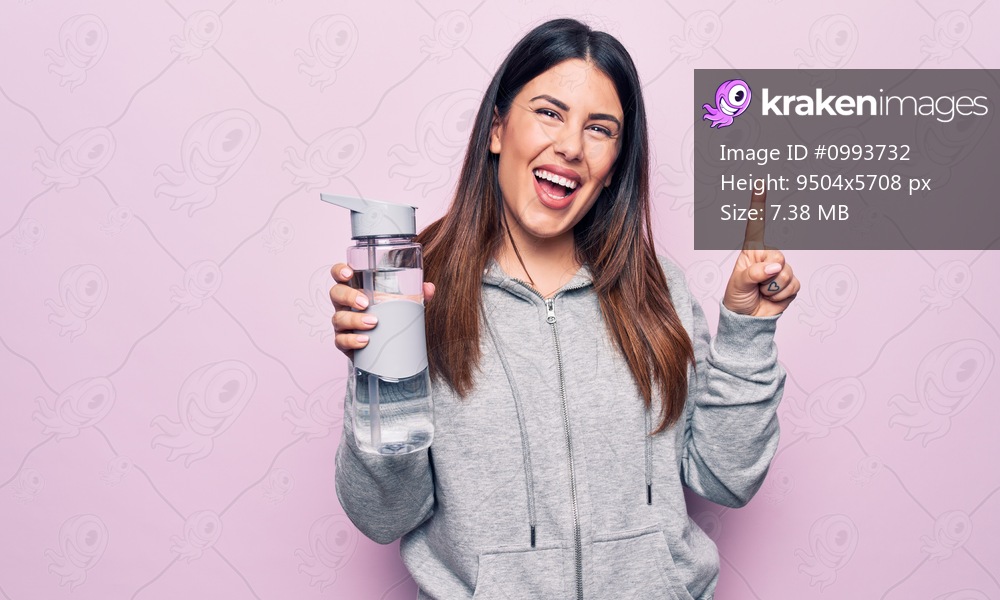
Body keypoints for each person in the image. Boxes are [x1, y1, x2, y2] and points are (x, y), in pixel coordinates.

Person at [330, 18, 799, 600]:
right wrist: (378, 371)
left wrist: (748, 330)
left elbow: (726, 478)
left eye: (600, 128)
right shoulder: (413, 286)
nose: (572, 146)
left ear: (614, 167)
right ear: (498, 127)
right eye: (549, 112)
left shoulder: (657, 289)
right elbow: (384, 516)